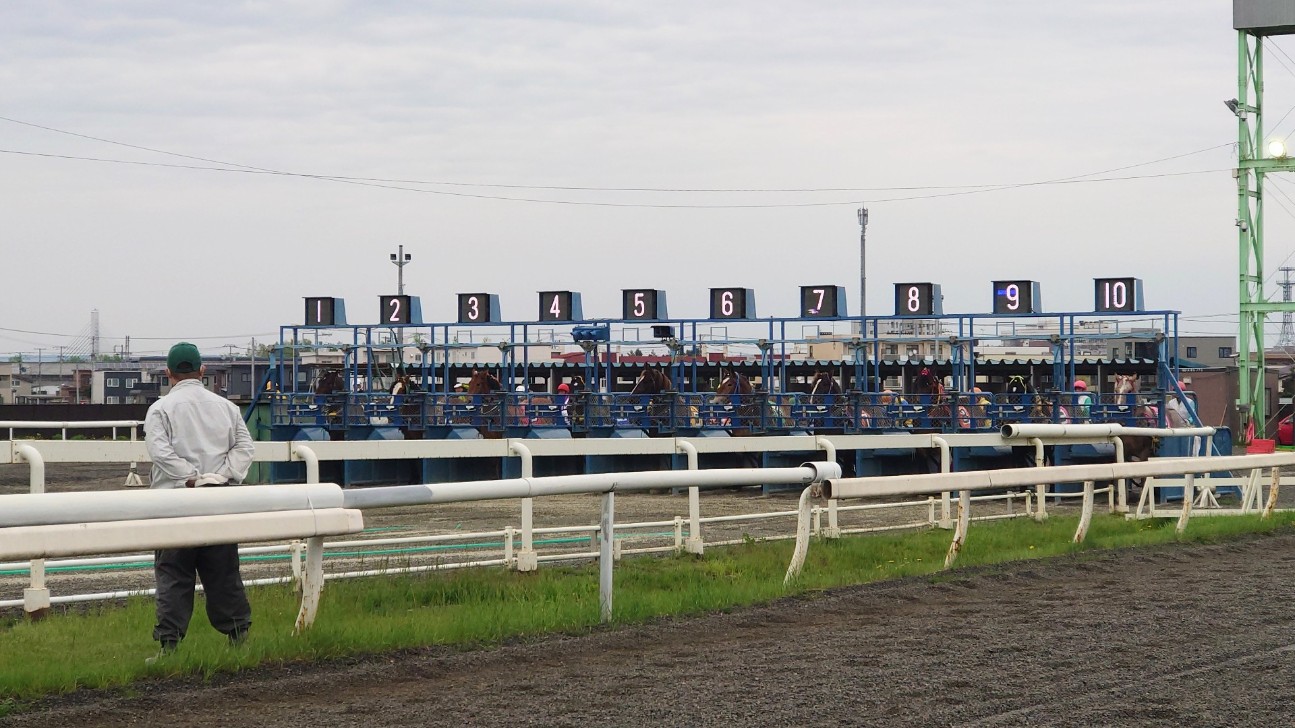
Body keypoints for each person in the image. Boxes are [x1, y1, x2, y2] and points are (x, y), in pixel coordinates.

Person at [144, 342, 255, 659]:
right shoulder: (227, 408)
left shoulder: (160, 409)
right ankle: (239, 641)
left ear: (168, 373)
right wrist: (219, 476)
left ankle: (169, 648)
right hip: (218, 502)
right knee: (224, 573)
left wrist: (191, 478)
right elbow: (245, 449)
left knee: (173, 574)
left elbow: (161, 454)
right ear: (202, 371)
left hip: (174, 505)